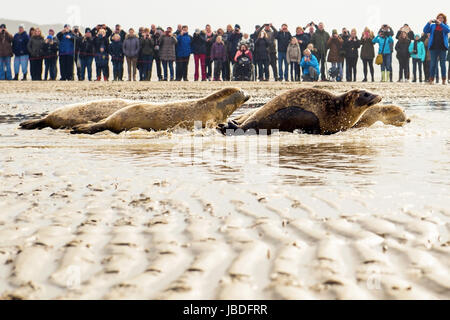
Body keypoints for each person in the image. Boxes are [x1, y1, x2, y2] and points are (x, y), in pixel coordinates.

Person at [423, 13, 449, 84]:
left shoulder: (445, 26)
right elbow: (425, 30)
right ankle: (431, 79)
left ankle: (444, 80)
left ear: (444, 19)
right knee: (433, 64)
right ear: (437, 18)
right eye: (439, 18)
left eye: (442, 18)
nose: (440, 19)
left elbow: (447, 30)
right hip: (433, 48)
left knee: (442, 64)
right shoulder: (432, 26)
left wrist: (441, 24)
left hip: (442, 48)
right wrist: (428, 23)